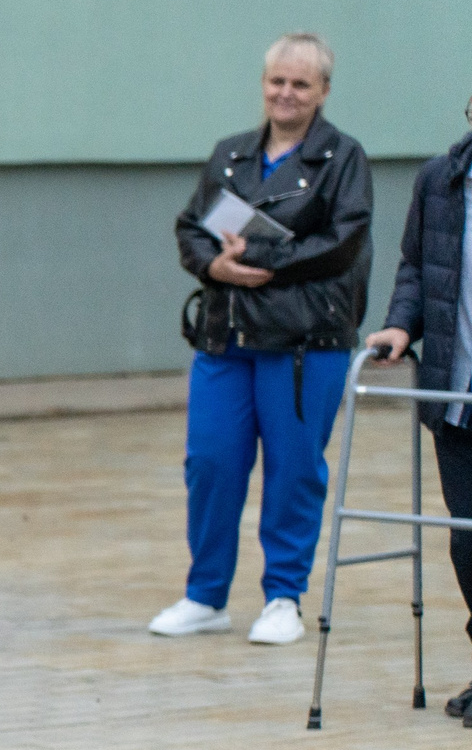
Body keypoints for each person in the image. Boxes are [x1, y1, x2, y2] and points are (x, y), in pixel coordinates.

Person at [151, 32, 373, 646]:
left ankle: (283, 597)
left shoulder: (343, 159)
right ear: (263, 83)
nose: (286, 93)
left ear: (323, 91)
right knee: (211, 465)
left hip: (307, 344)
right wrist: (213, 266)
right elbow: (192, 227)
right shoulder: (231, 154)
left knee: (294, 469)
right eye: (277, 80)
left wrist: (265, 257)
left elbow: (343, 243)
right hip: (226, 338)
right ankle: (205, 595)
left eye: (301, 84)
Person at [362, 102, 472, 723]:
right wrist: (400, 326)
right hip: (457, 394)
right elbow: (416, 268)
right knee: (468, 542)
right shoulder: (440, 179)